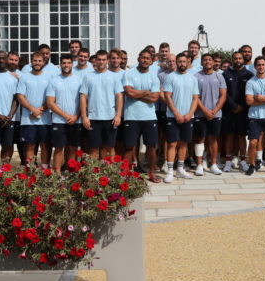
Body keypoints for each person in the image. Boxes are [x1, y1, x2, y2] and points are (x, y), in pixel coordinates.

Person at [122, 50, 161, 182]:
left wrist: (137, 94)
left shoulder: (154, 76)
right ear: (138, 58)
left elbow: (155, 97)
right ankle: (125, 175)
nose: (145, 60)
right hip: (132, 116)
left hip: (149, 117)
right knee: (129, 146)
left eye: (148, 58)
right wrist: (145, 92)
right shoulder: (129, 73)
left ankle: (151, 173)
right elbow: (129, 93)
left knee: (151, 146)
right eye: (143, 58)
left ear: (151, 61)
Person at [162, 53, 199, 182]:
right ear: (176, 62)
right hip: (173, 116)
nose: (182, 64)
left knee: (183, 144)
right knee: (172, 144)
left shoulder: (192, 78)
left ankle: (180, 169)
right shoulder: (170, 77)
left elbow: (195, 98)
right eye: (180, 62)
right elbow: (167, 97)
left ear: (187, 62)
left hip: (188, 117)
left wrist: (189, 114)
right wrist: (176, 113)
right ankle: (170, 171)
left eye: (184, 61)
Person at [80, 50, 123, 159]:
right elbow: (83, 97)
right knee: (94, 149)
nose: (101, 62)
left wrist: (118, 115)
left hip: (110, 118)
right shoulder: (88, 77)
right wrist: (84, 117)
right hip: (93, 118)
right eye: (99, 59)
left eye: (103, 59)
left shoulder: (114, 77)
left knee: (109, 148)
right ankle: (95, 174)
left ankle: (110, 174)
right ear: (95, 61)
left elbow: (119, 96)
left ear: (107, 60)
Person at [46, 54, 83, 175]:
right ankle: (57, 173)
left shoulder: (79, 80)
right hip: (58, 120)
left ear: (72, 64)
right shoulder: (54, 81)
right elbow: (50, 103)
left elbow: (83, 101)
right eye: (64, 63)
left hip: (75, 120)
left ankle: (70, 171)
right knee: (58, 148)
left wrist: (76, 116)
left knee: (72, 147)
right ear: (60, 64)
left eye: (68, 63)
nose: (66, 65)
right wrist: (65, 115)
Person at [193, 54, 227, 175]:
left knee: (213, 139)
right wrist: (205, 111)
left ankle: (213, 164)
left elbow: (223, 95)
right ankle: (199, 165)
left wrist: (215, 110)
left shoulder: (219, 76)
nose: (207, 61)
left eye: (209, 59)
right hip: (199, 114)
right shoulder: (196, 76)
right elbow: (195, 97)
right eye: (205, 60)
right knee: (200, 139)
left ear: (213, 62)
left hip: (215, 114)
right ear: (201, 62)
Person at [16, 51, 52, 167]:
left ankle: (45, 169)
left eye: (39, 61)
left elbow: (52, 97)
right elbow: (20, 96)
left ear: (44, 62)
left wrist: (40, 110)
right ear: (31, 62)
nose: (37, 63)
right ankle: (30, 169)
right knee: (30, 145)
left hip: (45, 118)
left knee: (45, 145)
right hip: (28, 118)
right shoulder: (24, 77)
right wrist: (32, 109)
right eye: (35, 61)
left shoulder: (49, 77)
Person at [222, 51, 254, 172]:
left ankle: (242, 161)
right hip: (229, 110)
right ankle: (228, 161)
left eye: (240, 58)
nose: (238, 60)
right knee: (229, 136)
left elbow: (250, 93)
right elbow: (224, 93)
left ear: (243, 59)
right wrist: (233, 106)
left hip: (244, 111)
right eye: (235, 58)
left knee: (241, 136)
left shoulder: (249, 74)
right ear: (232, 60)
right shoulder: (225, 74)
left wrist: (241, 106)